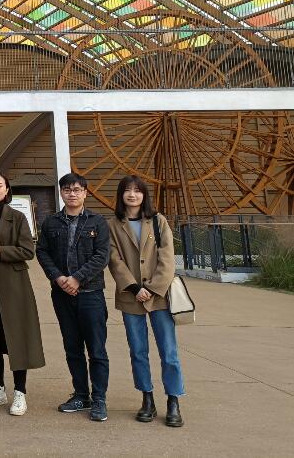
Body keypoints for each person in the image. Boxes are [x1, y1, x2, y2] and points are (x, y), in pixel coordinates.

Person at [108, 175, 185, 427]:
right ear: (121, 195)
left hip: (159, 297)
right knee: (138, 351)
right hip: (130, 297)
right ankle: (147, 398)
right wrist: (134, 288)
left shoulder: (158, 221)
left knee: (169, 351)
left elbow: (167, 259)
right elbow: (114, 260)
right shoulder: (113, 225)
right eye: (127, 190)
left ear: (144, 195)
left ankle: (173, 400)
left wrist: (151, 288)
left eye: (137, 190)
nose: (132, 195)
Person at [36, 172, 111, 422]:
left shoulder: (98, 222)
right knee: (72, 348)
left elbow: (102, 255)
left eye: (77, 190)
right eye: (67, 189)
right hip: (62, 295)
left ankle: (99, 398)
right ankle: (81, 395)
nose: (72, 194)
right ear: (61, 193)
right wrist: (58, 277)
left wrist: (77, 278)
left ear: (85, 193)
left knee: (96, 349)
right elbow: (42, 252)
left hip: (91, 294)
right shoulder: (51, 223)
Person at [0, 171, 45, 416]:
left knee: (16, 339)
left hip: (14, 285)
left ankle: (20, 392)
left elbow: (28, 250)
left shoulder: (17, 217)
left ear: (7, 190)